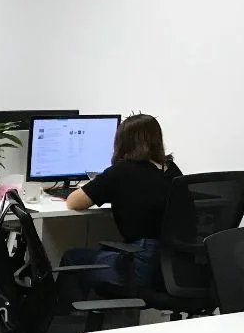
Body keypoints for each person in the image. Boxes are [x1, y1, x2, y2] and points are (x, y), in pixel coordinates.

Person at [61, 113, 182, 294]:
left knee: (73, 258)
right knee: (102, 252)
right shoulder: (172, 170)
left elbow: (73, 202)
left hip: (141, 267)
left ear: (123, 142)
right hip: (173, 270)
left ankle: (61, 312)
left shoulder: (121, 171)